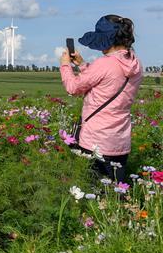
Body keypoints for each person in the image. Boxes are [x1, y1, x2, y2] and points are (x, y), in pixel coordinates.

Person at [60, 15, 143, 183]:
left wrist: (65, 65)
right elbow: (107, 81)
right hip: (120, 140)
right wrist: (83, 65)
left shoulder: (104, 63)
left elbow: (73, 88)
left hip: (95, 139)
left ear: (106, 40)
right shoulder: (136, 63)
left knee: (92, 189)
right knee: (116, 190)